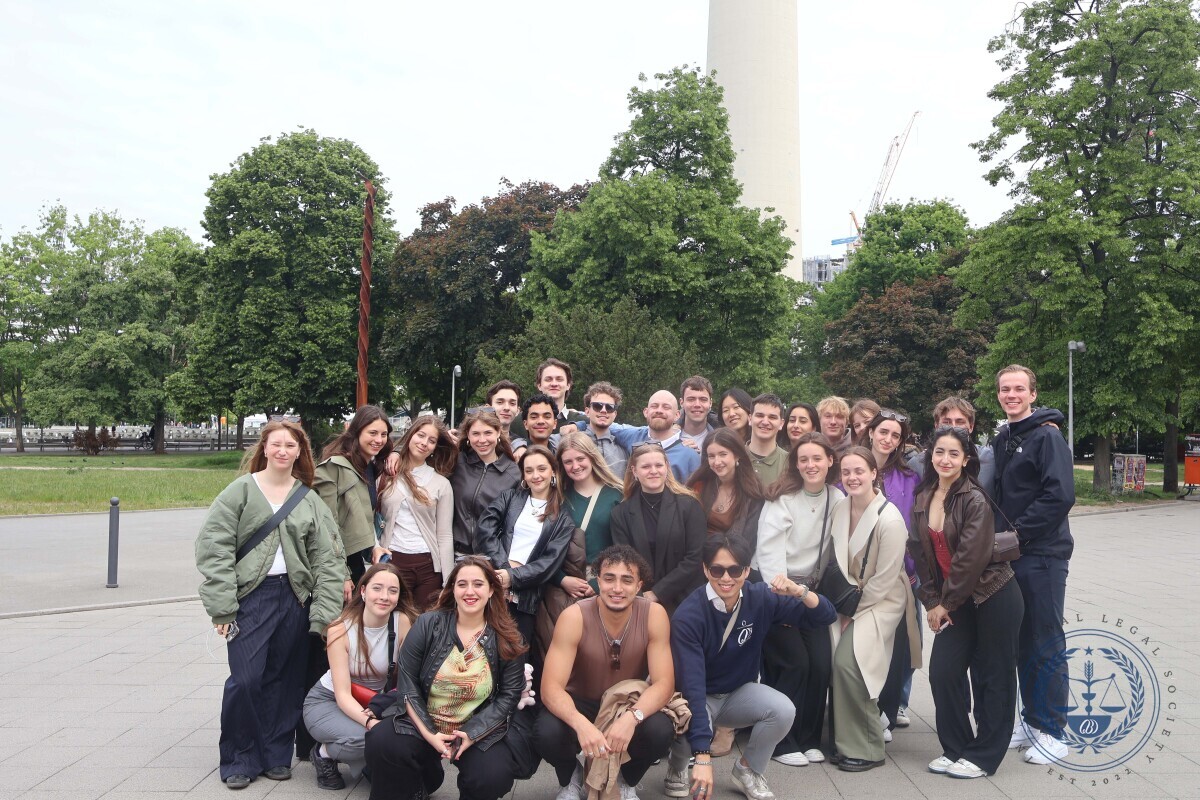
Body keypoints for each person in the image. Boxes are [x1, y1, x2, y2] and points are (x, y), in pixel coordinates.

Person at [195, 420, 343, 789]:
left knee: (285, 680)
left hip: (294, 598)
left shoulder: (308, 499)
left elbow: (328, 559)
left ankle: (276, 754)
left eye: (290, 445)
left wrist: (323, 615)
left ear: (300, 451)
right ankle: (239, 757)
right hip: (251, 598)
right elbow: (214, 548)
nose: (282, 451)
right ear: (264, 448)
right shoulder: (240, 492)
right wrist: (222, 607)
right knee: (245, 680)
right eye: (276, 444)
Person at [666, 536, 836, 800]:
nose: (726, 578)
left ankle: (748, 770)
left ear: (747, 571)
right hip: (699, 697)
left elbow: (825, 616)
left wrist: (799, 591)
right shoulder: (689, 615)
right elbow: (693, 686)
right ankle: (677, 768)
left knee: (783, 709)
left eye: (735, 570)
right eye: (717, 570)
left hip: (737, 693)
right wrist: (703, 757)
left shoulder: (760, 597)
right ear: (705, 570)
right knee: (687, 721)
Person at [909, 426, 1023, 779]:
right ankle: (956, 747)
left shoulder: (974, 499)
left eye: (953, 453)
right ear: (930, 456)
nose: (945, 459)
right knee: (943, 671)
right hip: (953, 600)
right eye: (939, 452)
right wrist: (931, 600)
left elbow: (969, 561)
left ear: (966, 459)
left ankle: (985, 756)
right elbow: (920, 554)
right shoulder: (923, 496)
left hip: (993, 595)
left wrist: (945, 604)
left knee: (993, 676)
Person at [363, 557, 527, 800]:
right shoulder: (428, 624)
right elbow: (407, 683)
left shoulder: (508, 637)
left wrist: (472, 733)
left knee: (493, 774)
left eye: (478, 584)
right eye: (462, 584)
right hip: (423, 719)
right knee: (382, 741)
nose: (469, 591)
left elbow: (508, 696)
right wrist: (430, 733)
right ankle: (416, 786)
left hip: (474, 726)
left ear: (492, 590)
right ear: (452, 589)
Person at [536, 545, 678, 800]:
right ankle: (571, 777)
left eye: (627, 580)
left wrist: (632, 718)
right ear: (598, 580)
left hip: (626, 703)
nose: (617, 588)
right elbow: (550, 688)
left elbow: (664, 683)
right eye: (609, 578)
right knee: (546, 731)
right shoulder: (574, 617)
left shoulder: (654, 615)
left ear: (639, 585)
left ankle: (626, 780)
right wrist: (581, 724)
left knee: (660, 730)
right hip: (580, 701)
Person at [991, 364, 1074, 765]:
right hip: (1013, 555)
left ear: (1033, 394)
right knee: (1022, 641)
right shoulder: (1004, 437)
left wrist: (1016, 534)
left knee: (1044, 640)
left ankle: (1055, 731)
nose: (1012, 395)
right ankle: (1032, 720)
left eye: (1019, 389)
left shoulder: (1047, 436)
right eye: (1005, 389)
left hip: (1042, 555)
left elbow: (1060, 496)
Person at [755, 432, 844, 766]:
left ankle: (808, 738)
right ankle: (781, 741)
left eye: (817, 458)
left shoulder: (837, 498)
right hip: (779, 592)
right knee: (795, 662)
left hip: (813, 594)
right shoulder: (782, 499)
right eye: (803, 459)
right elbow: (769, 553)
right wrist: (785, 596)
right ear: (795, 464)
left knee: (820, 664)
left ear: (830, 461)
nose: (810, 465)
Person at [828, 446, 916, 772]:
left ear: (873, 473)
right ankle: (847, 741)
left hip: (882, 600)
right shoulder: (841, 507)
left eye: (859, 471)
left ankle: (869, 747)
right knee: (836, 661)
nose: (852, 477)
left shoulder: (890, 519)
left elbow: (884, 580)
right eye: (846, 472)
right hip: (849, 596)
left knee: (851, 662)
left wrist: (852, 613)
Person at [304, 564, 419, 788]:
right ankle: (323, 753)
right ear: (363, 591)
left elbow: (410, 677)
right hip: (329, 700)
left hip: (374, 701)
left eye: (392, 591)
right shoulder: (340, 629)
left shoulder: (402, 622)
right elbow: (343, 695)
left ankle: (370, 764)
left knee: (397, 739)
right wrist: (371, 724)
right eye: (377, 588)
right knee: (368, 739)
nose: (384, 596)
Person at [474, 444, 577, 653]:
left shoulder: (563, 518)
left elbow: (549, 562)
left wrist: (513, 577)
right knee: (481, 652)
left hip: (525, 597)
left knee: (515, 655)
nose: (535, 476)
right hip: (494, 586)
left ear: (553, 471)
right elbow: (485, 528)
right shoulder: (509, 498)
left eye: (541, 469)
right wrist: (504, 570)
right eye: (529, 471)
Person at [610, 443, 707, 614]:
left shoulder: (689, 505)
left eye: (658, 465)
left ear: (667, 467)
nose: (653, 471)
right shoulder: (621, 513)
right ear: (634, 471)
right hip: (641, 598)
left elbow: (695, 557)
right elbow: (625, 560)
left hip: (685, 597)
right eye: (646, 466)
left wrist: (658, 592)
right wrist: (642, 594)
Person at [376, 415, 457, 609]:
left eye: (432, 441)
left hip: (428, 566)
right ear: (410, 434)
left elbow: (444, 535)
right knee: (392, 619)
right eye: (421, 435)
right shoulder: (387, 473)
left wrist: (448, 581)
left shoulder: (442, 484)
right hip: (393, 560)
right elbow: (369, 517)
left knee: (424, 622)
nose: (424, 443)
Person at [315, 405, 395, 594]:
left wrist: (374, 548)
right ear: (356, 432)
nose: (379, 440)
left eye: (383, 434)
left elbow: (361, 518)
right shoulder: (333, 468)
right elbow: (326, 526)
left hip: (357, 563)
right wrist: (342, 574)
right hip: (337, 567)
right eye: (372, 433)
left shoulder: (369, 466)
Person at [557, 432, 625, 593]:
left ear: (592, 457)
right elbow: (546, 548)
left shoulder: (617, 495)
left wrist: (599, 582)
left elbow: (625, 547)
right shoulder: (558, 498)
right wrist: (561, 579)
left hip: (607, 582)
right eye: (568, 462)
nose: (575, 466)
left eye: (580, 459)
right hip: (568, 583)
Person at [449, 410, 521, 559]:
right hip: (456, 554)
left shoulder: (514, 473)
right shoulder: (456, 462)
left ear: (498, 432)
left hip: (491, 558)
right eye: (476, 434)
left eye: (488, 433)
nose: (482, 440)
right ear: (468, 435)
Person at [687, 427, 765, 551]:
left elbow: (748, 541)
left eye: (723, 454)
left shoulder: (753, 493)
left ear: (737, 455)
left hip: (732, 558)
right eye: (711, 456)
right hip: (697, 554)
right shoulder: (698, 486)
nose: (717, 462)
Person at [909, 397, 996, 498]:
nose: (953, 428)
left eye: (960, 422)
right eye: (946, 422)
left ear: (971, 427)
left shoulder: (991, 459)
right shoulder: (917, 464)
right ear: (936, 426)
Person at [581, 381, 629, 478]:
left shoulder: (624, 449)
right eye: (597, 406)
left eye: (609, 407)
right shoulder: (572, 442)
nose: (603, 410)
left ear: (615, 414)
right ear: (587, 411)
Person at [746, 394, 789, 486]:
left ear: (781, 424)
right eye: (759, 415)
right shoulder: (733, 457)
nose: (765, 422)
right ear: (750, 419)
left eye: (772, 417)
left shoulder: (790, 463)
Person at [536, 358, 586, 426]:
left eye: (559, 379)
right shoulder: (522, 421)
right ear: (539, 385)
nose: (554, 384)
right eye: (548, 379)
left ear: (568, 385)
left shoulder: (584, 423)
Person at [511, 392, 561, 459]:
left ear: (555, 423)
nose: (541, 421)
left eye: (547, 416)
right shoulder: (516, 457)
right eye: (534, 417)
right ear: (525, 424)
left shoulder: (560, 454)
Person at [680, 376, 717, 450]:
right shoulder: (667, 438)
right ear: (681, 403)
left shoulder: (722, 439)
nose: (697, 405)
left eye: (703, 399)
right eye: (691, 399)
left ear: (710, 403)